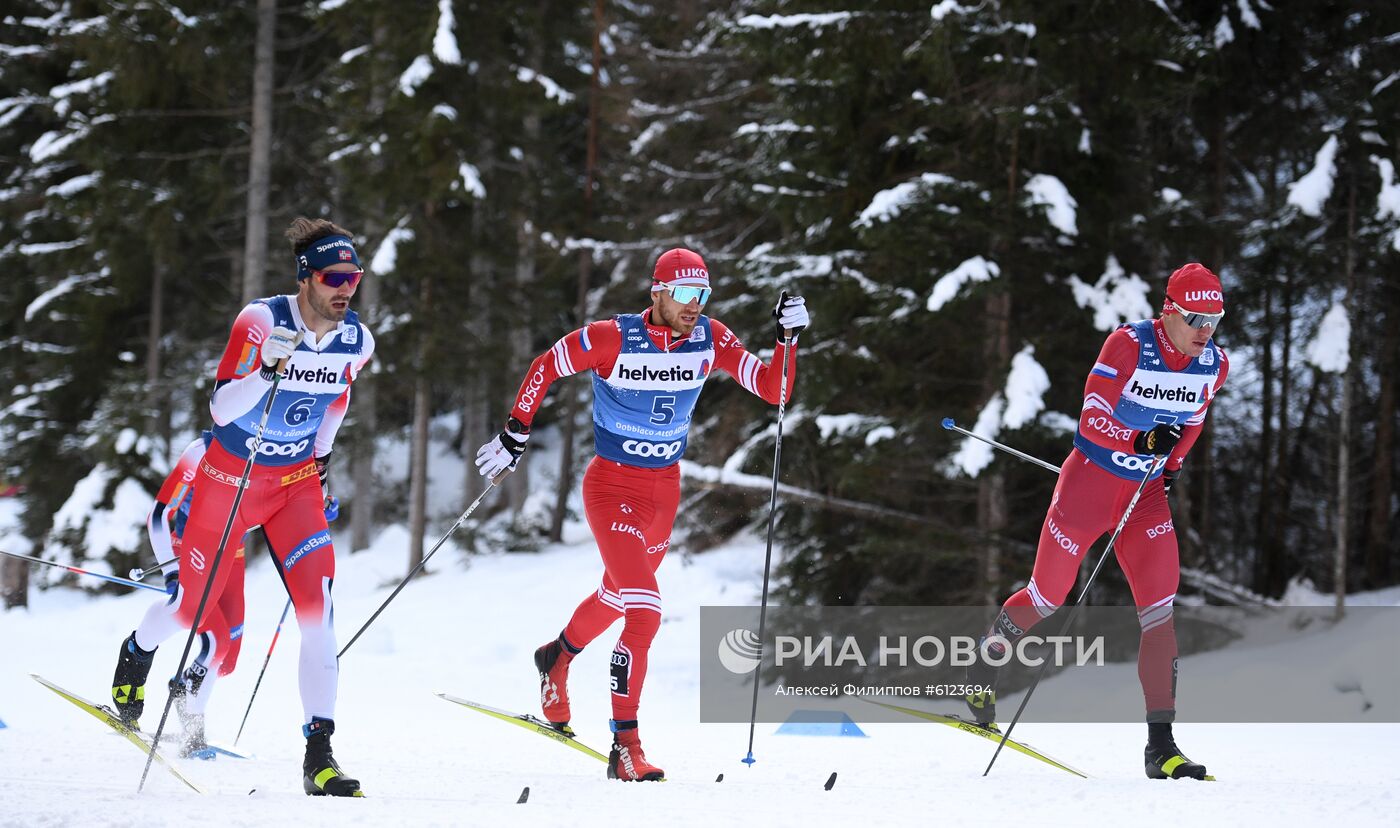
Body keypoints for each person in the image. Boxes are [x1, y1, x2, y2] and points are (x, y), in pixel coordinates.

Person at [474, 248, 809, 781]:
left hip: (664, 491)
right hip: (611, 487)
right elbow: (545, 366)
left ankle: (556, 657)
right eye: (683, 294)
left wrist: (786, 340)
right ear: (657, 291)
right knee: (646, 608)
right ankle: (625, 747)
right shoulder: (612, 337)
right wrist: (516, 430)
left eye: (702, 295)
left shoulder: (710, 338)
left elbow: (776, 389)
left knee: (615, 595)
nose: (694, 306)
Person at [109, 218, 373, 796]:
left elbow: (337, 400)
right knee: (190, 611)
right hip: (229, 479)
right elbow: (223, 408)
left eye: (353, 278)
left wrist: (321, 465)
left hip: (293, 486)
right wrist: (268, 370)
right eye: (334, 277)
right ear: (307, 277)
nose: (345, 289)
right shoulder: (261, 320)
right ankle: (137, 654)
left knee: (319, 616)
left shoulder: (357, 339)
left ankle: (319, 755)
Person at [964, 263, 1229, 780]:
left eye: (1215, 321)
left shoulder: (1214, 364)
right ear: (1169, 311)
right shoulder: (1129, 345)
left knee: (1159, 612)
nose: (1205, 331)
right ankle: (984, 659)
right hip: (1088, 486)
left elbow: (1193, 421)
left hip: (1144, 496)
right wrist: (1140, 442)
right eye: (1196, 318)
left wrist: (1169, 467)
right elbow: (1092, 416)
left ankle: (1161, 747)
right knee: (1047, 596)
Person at [123, 431, 337, 757]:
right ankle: (157, 680)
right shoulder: (205, 449)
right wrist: (171, 573)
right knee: (216, 641)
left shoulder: (281, 452)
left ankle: (184, 690)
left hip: (231, 549)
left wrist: (314, 508)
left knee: (228, 658)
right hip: (190, 546)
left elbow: (277, 505)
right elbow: (159, 516)